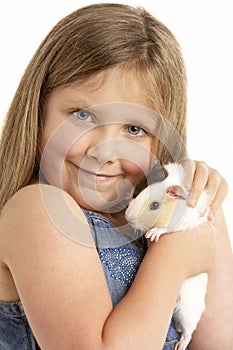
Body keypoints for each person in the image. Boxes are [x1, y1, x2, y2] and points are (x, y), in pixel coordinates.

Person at [0, 3, 232, 349]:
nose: (104, 152)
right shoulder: (40, 211)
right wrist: (172, 259)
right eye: (82, 115)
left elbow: (218, 342)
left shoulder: (156, 218)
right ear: (39, 109)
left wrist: (198, 213)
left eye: (135, 129)